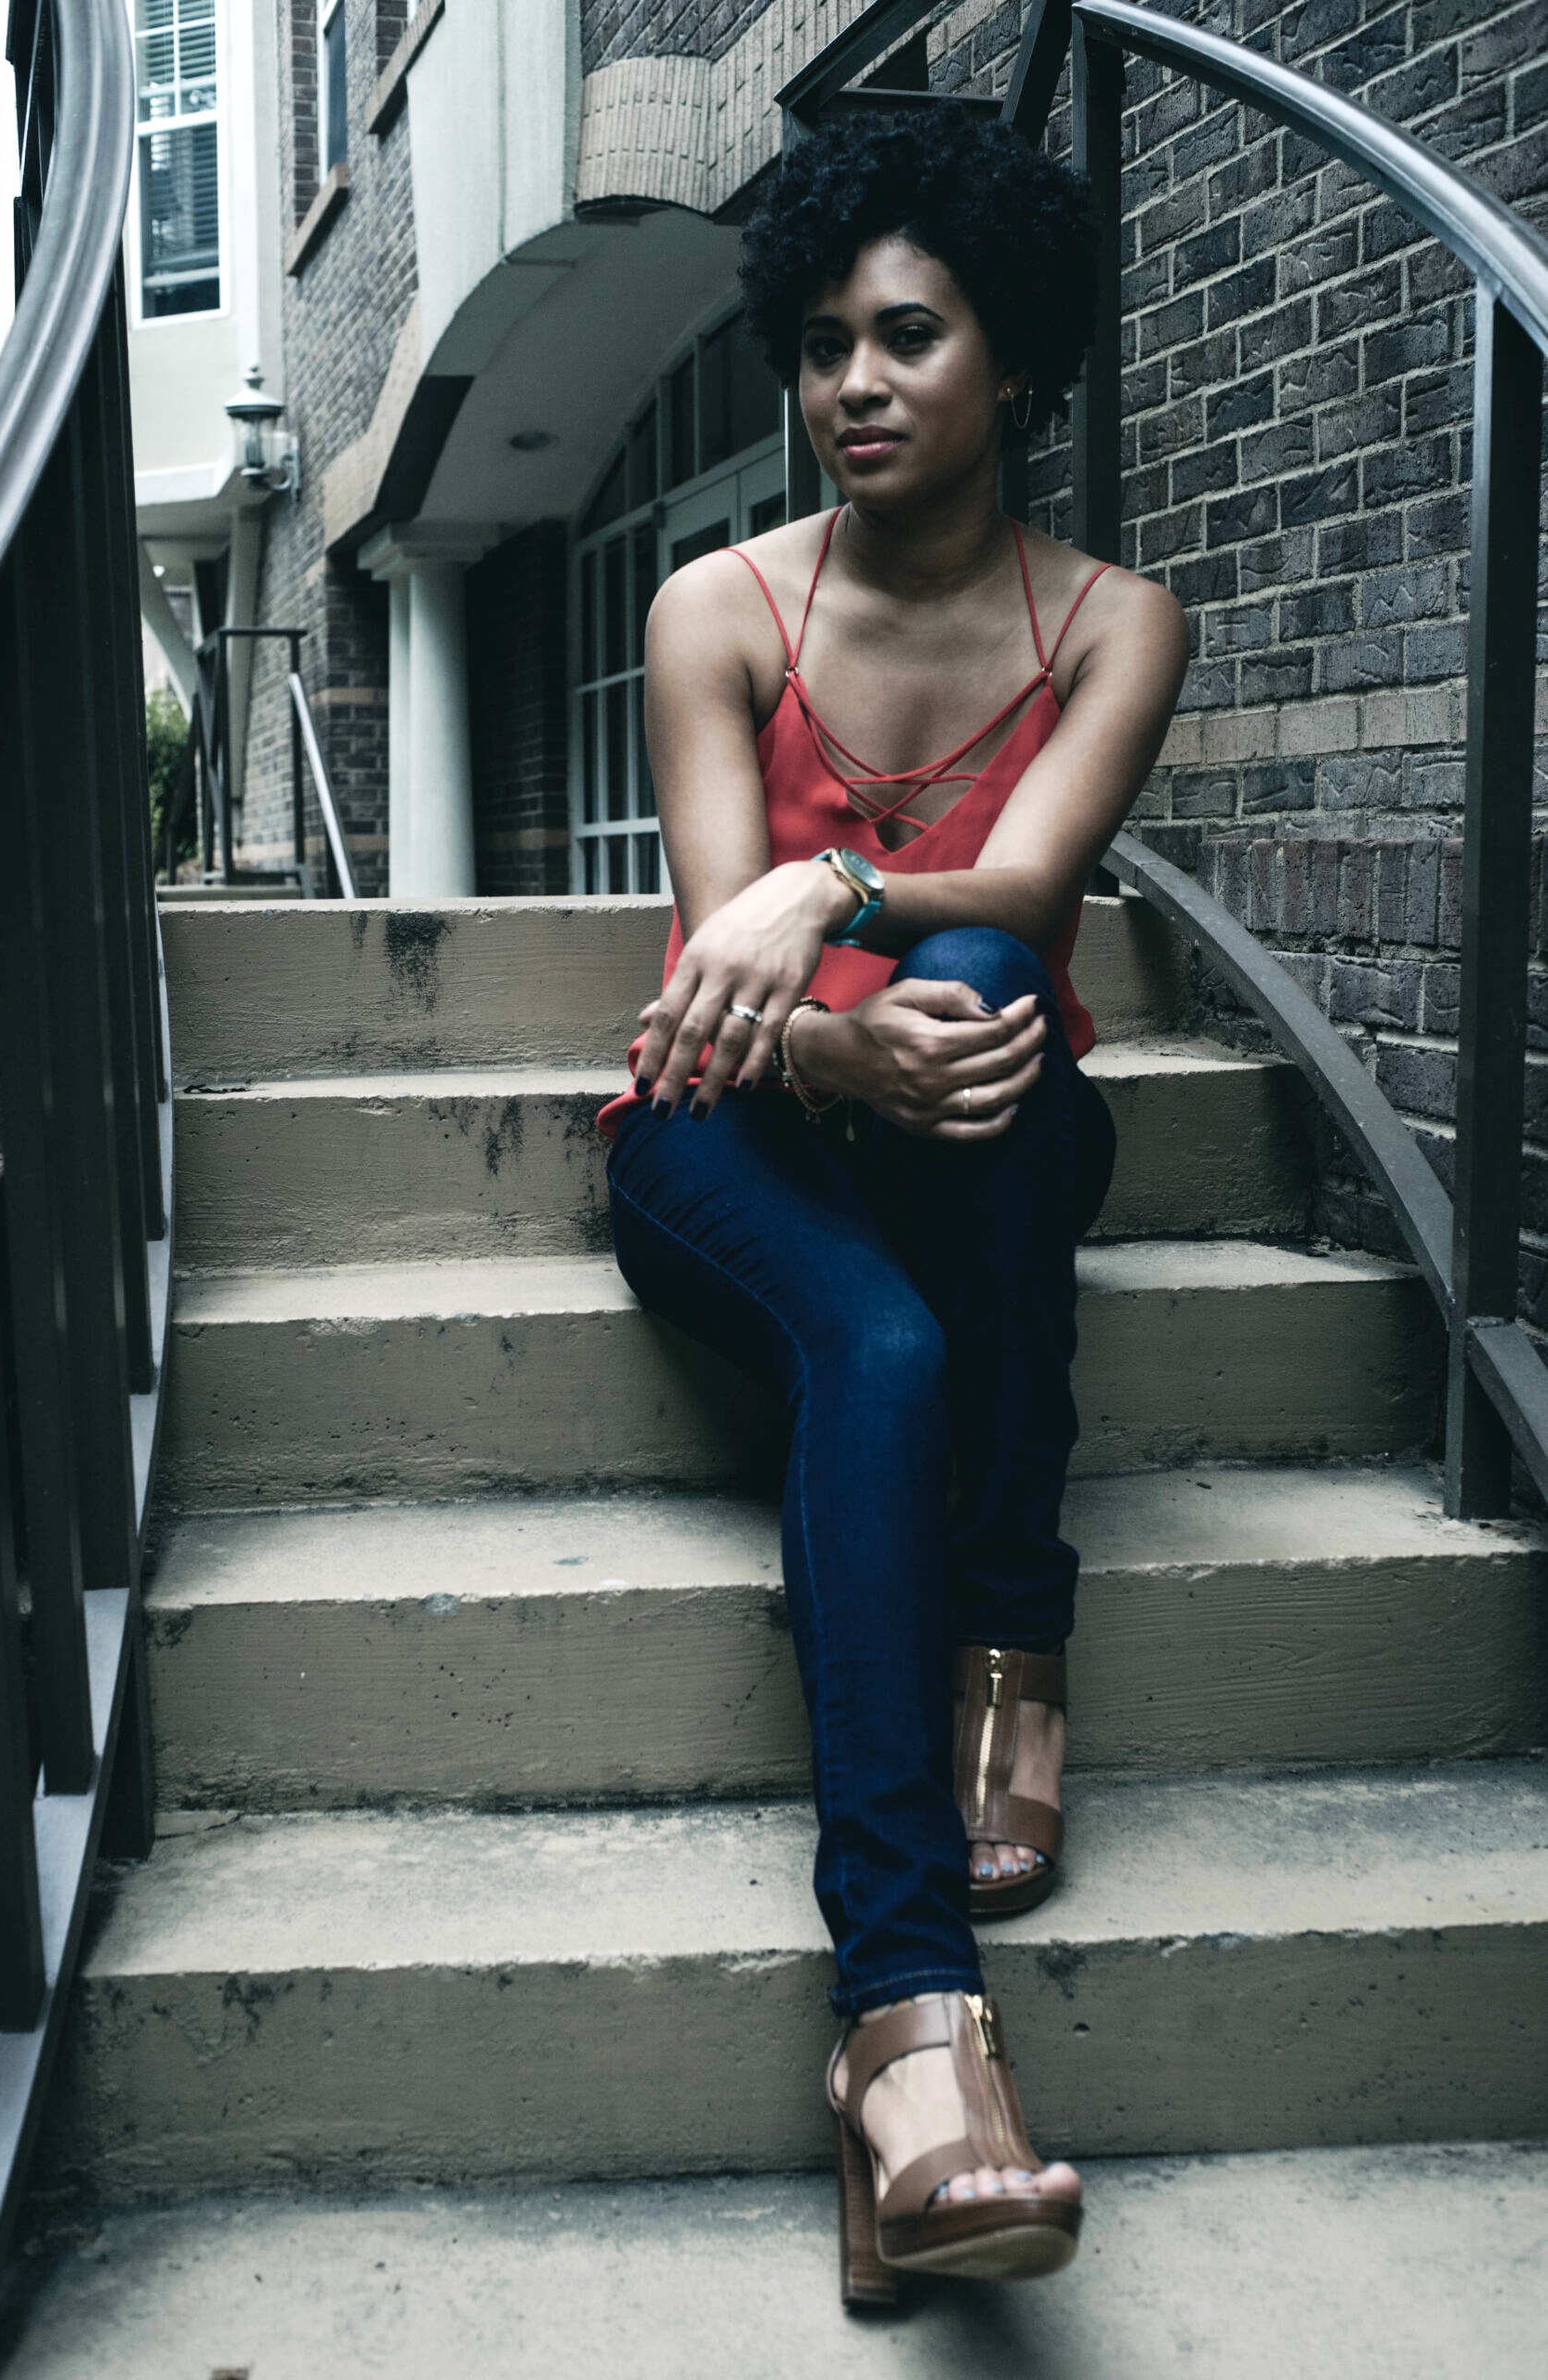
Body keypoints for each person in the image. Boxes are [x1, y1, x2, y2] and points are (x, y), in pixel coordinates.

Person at [597, 107, 1188, 2302]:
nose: (852, 381)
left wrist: (836, 889)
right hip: (724, 1119)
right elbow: (715, 971)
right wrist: (818, 1031)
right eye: (822, 341)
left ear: (1012, 358)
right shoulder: (712, 606)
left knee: (983, 986)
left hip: (971, 1086)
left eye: (909, 336)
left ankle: (1008, 1636)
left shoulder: (1117, 619)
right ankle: (905, 2018)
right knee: (879, 1340)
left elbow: (1027, 894)